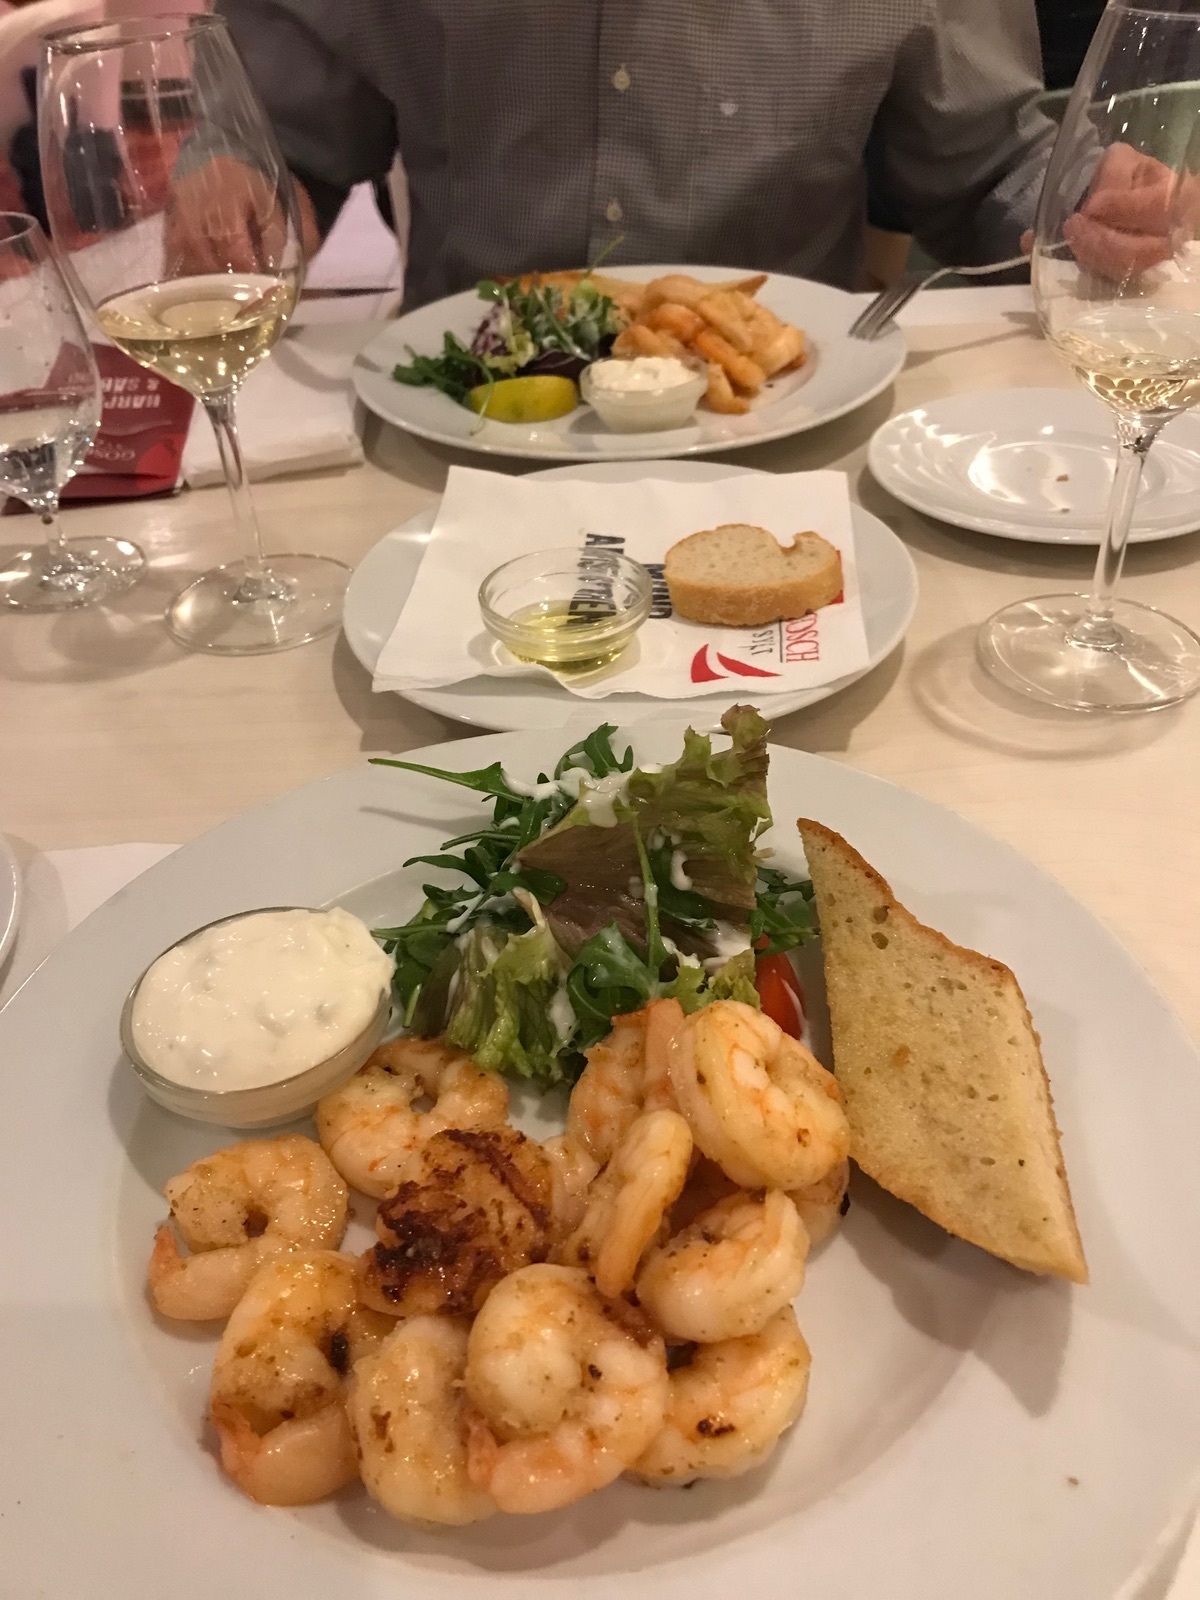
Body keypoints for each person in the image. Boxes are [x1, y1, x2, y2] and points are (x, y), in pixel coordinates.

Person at [180, 0, 1181, 306]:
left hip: (792, 425)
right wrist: (239, 183)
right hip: (466, 420)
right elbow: (285, 144)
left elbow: (983, 167)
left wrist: (1087, 199)